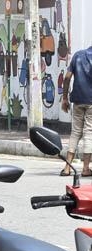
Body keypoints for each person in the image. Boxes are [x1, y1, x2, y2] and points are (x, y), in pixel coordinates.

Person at [61, 43, 92, 176]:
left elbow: (67, 77)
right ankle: (85, 169)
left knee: (75, 132)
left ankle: (67, 168)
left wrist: (65, 98)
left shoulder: (78, 55)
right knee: (89, 132)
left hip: (78, 100)